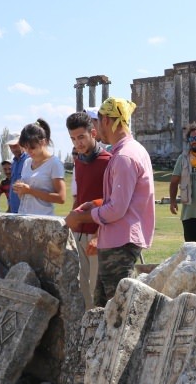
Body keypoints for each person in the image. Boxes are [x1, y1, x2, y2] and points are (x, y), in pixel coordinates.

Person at [64, 97, 154, 307]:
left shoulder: (124, 156)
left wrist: (81, 217)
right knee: (105, 309)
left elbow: (117, 209)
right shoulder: (128, 151)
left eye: (96, 122)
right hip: (116, 240)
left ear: (106, 121)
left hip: (120, 243)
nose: (95, 128)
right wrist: (96, 204)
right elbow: (121, 199)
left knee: (119, 313)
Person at [66, 111, 111, 307]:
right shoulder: (79, 161)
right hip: (78, 234)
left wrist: (99, 234)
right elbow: (80, 199)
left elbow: (113, 202)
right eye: (73, 139)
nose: (78, 143)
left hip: (99, 233)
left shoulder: (109, 161)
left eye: (81, 137)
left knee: (96, 292)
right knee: (81, 289)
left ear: (93, 133)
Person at [13, 119, 66, 216]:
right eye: (25, 147)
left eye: (32, 147)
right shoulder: (27, 162)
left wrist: (30, 191)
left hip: (43, 218)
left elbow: (61, 198)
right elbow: (24, 195)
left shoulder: (54, 163)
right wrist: (20, 189)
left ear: (43, 142)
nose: (29, 151)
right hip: (23, 215)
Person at [5, 132, 25, 213]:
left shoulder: (30, 161)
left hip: (26, 211)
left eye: (15, 146)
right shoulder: (13, 163)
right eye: (11, 147)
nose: (13, 149)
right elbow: (12, 187)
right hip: (13, 210)